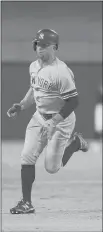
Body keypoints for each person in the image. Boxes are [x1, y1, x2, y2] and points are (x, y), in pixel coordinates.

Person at [7, 29, 88, 214]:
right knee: (27, 156)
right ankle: (26, 203)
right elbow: (34, 90)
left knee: (52, 168)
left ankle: (75, 143)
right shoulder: (33, 66)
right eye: (38, 44)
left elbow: (74, 101)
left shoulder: (61, 72)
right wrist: (21, 105)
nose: (39, 49)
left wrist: (54, 122)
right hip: (39, 117)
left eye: (44, 45)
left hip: (61, 121)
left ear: (54, 47)